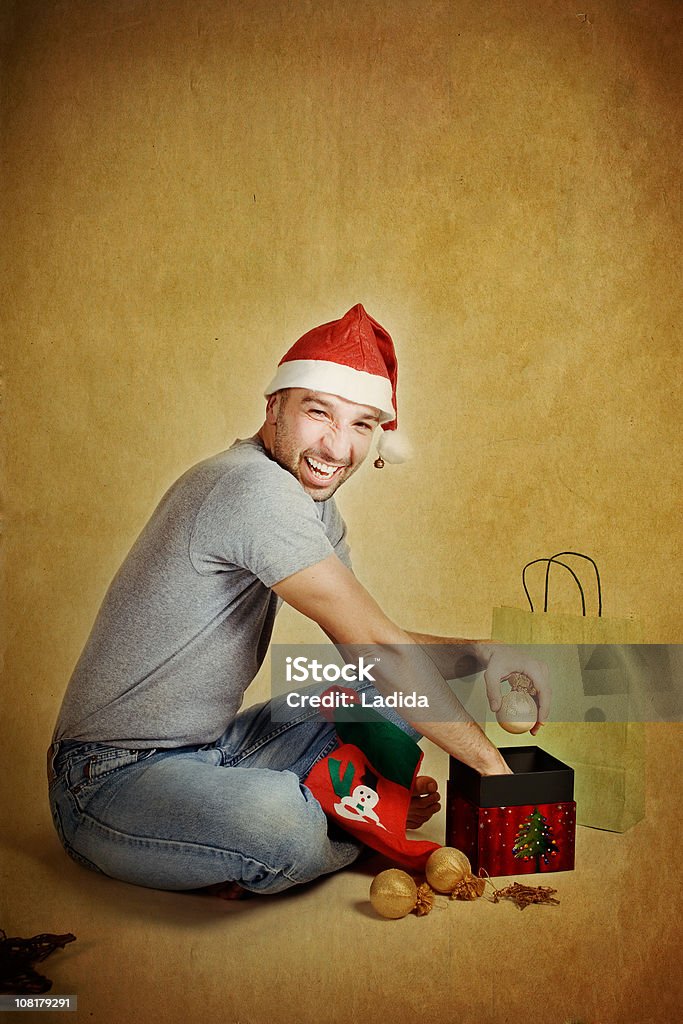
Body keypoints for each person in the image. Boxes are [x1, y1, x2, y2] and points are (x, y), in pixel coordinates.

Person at [47, 304, 550, 897]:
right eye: (319, 414)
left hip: (218, 749)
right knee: (279, 824)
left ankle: (342, 802)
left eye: (363, 424)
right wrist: (495, 772)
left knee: (386, 693)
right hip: (108, 780)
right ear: (274, 407)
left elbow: (371, 644)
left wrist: (481, 655)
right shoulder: (251, 488)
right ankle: (353, 813)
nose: (337, 448)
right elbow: (380, 648)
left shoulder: (313, 505)